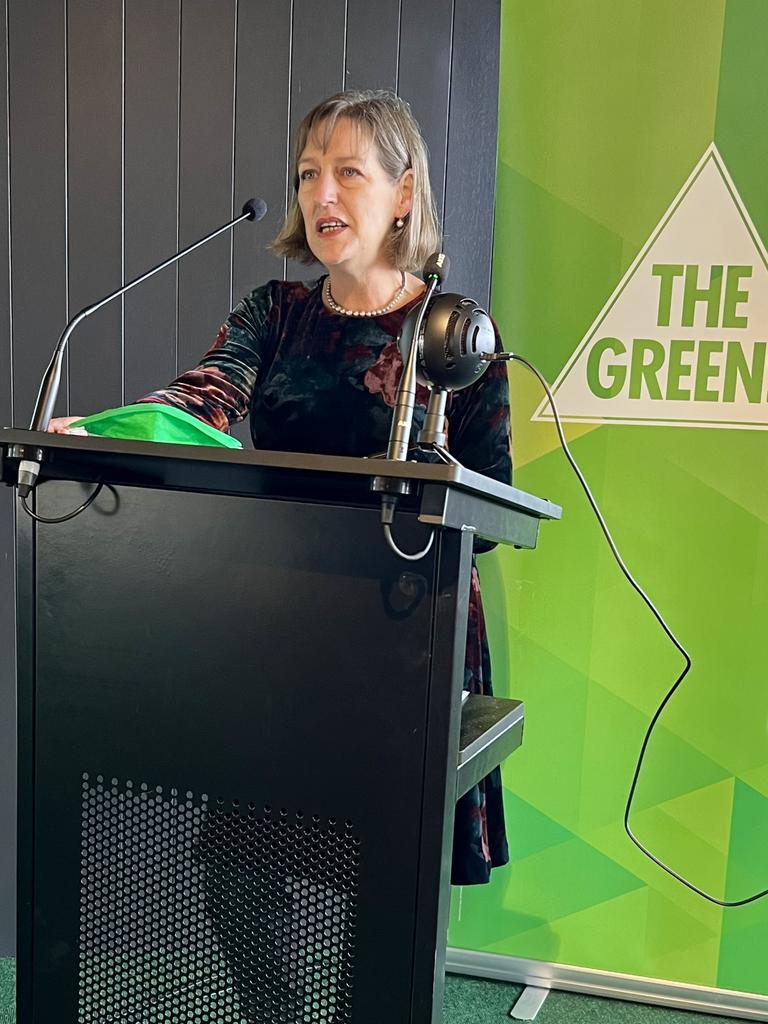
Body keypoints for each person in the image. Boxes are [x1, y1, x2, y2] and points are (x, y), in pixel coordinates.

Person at [50, 89, 512, 887]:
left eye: (347, 172)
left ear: (404, 193)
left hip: (409, 633)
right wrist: (117, 431)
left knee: (385, 895)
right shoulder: (276, 312)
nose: (320, 195)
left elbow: (495, 498)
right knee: (238, 877)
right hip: (287, 623)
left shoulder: (456, 336)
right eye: (307, 174)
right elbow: (207, 394)